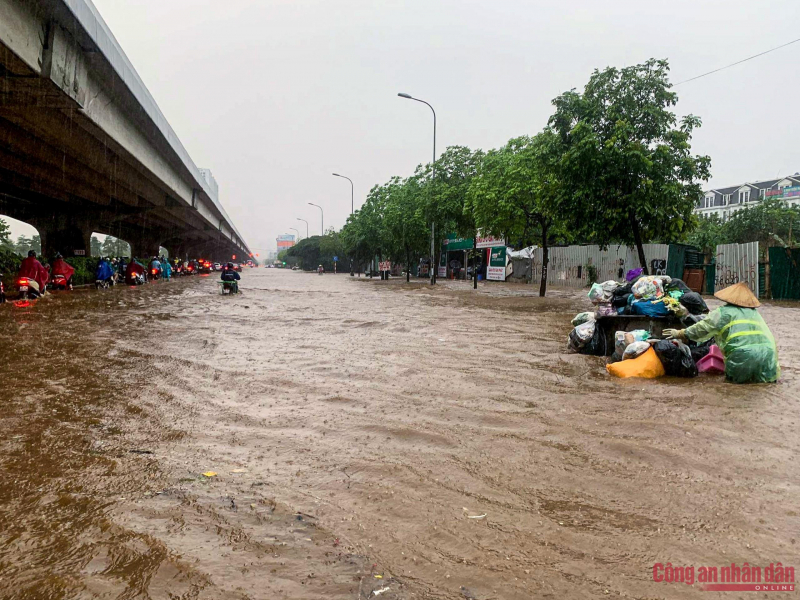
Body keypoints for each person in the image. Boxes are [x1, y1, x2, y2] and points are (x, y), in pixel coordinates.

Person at [664, 282, 779, 384]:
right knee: (763, 388)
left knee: (733, 391)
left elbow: (703, 328)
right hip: (769, 354)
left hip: (741, 355)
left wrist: (681, 333)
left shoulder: (723, 312)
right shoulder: (755, 314)